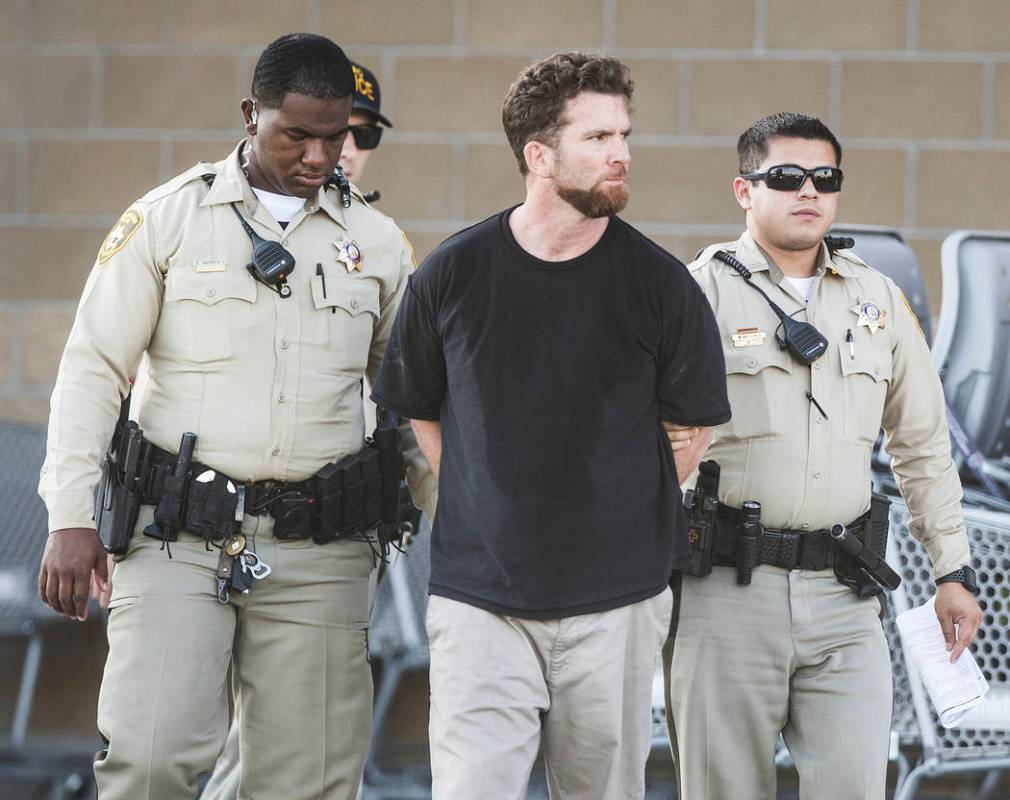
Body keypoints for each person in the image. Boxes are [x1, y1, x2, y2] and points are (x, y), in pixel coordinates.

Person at [36, 33, 432, 800]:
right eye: (298, 135)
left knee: (308, 781)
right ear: (252, 116)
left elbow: (413, 406)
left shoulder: (378, 247)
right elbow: (92, 368)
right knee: (149, 764)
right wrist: (69, 515)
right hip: (177, 534)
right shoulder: (168, 221)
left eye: (337, 137)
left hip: (321, 547)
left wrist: (469, 538)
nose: (320, 157)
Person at [371, 52, 731, 799]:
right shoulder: (452, 274)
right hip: (479, 603)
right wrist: (488, 496)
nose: (621, 153)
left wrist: (612, 507)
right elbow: (420, 411)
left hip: (617, 607)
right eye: (597, 137)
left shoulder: (660, 284)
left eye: (624, 134)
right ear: (539, 155)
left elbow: (694, 431)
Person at [664, 112, 984, 800]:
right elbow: (649, 446)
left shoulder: (878, 299)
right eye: (785, 176)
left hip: (844, 596)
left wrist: (952, 569)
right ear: (744, 190)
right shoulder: (698, 294)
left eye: (824, 178)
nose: (808, 190)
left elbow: (923, 446)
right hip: (725, 596)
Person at [197, 56, 405, 800]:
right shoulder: (199, 218)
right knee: (193, 741)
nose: (340, 148)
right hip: (201, 519)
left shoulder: (380, 243)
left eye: (358, 134)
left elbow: (405, 396)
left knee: (296, 753)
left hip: (323, 531)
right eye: (321, 131)